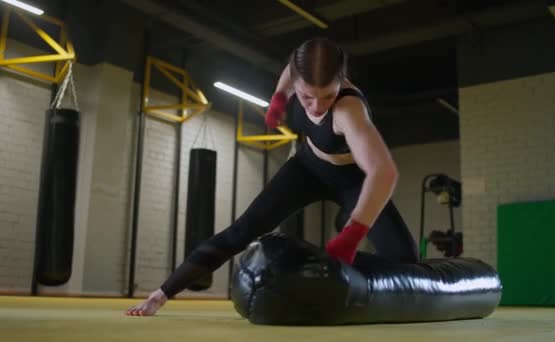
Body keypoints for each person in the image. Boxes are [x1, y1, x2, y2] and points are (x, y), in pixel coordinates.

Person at [125, 38, 419, 317]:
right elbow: (288, 75)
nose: (317, 107)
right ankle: (160, 295)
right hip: (307, 168)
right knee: (243, 230)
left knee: (405, 260)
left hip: (353, 181)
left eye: (327, 95)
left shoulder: (349, 110)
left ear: (341, 80)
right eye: (306, 96)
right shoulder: (296, 72)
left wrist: (352, 235)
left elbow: (383, 172)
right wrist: (279, 100)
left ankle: (345, 231)